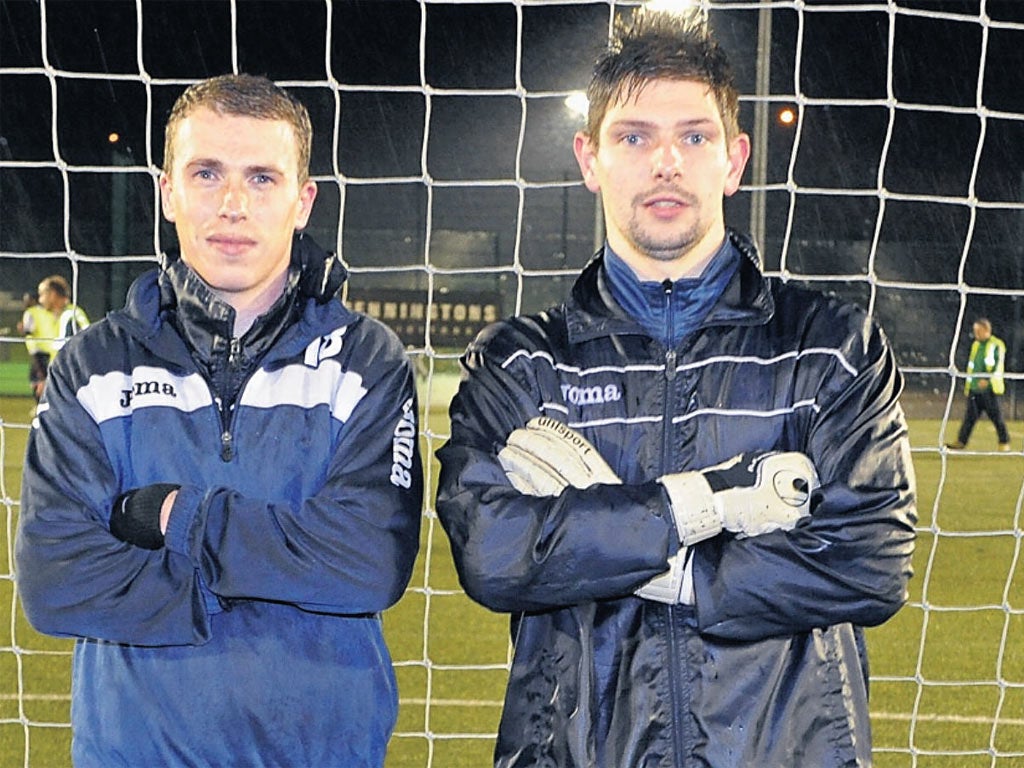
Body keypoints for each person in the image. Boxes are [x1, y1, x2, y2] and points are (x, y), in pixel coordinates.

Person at [436, 9, 917, 767]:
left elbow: (871, 560)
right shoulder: (520, 363)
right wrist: (701, 508)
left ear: (734, 160)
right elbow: (496, 556)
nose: (666, 161)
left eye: (694, 136)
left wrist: (669, 567)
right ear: (589, 158)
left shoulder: (831, 346)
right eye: (634, 137)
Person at [16, 74, 423, 767]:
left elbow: (369, 562)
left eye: (262, 178)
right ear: (169, 190)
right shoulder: (92, 365)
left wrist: (176, 517)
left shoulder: (366, 361)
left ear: (303, 201)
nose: (233, 204)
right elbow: (54, 579)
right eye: (207, 173)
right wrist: (279, 584)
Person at [19, 275, 90, 401]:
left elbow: (71, 352)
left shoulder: (70, 315)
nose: (40, 300)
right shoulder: (58, 316)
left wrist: (50, 382)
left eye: (42, 294)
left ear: (52, 294)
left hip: (70, 381)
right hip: (60, 376)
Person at [947, 317, 1011, 451]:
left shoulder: (996, 344)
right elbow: (973, 365)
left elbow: (998, 363)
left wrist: (987, 379)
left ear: (987, 330)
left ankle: (1004, 442)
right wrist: (970, 384)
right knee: (969, 417)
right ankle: (961, 441)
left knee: (996, 417)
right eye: (975, 331)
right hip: (975, 389)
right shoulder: (976, 344)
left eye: (979, 331)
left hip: (990, 389)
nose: (976, 334)